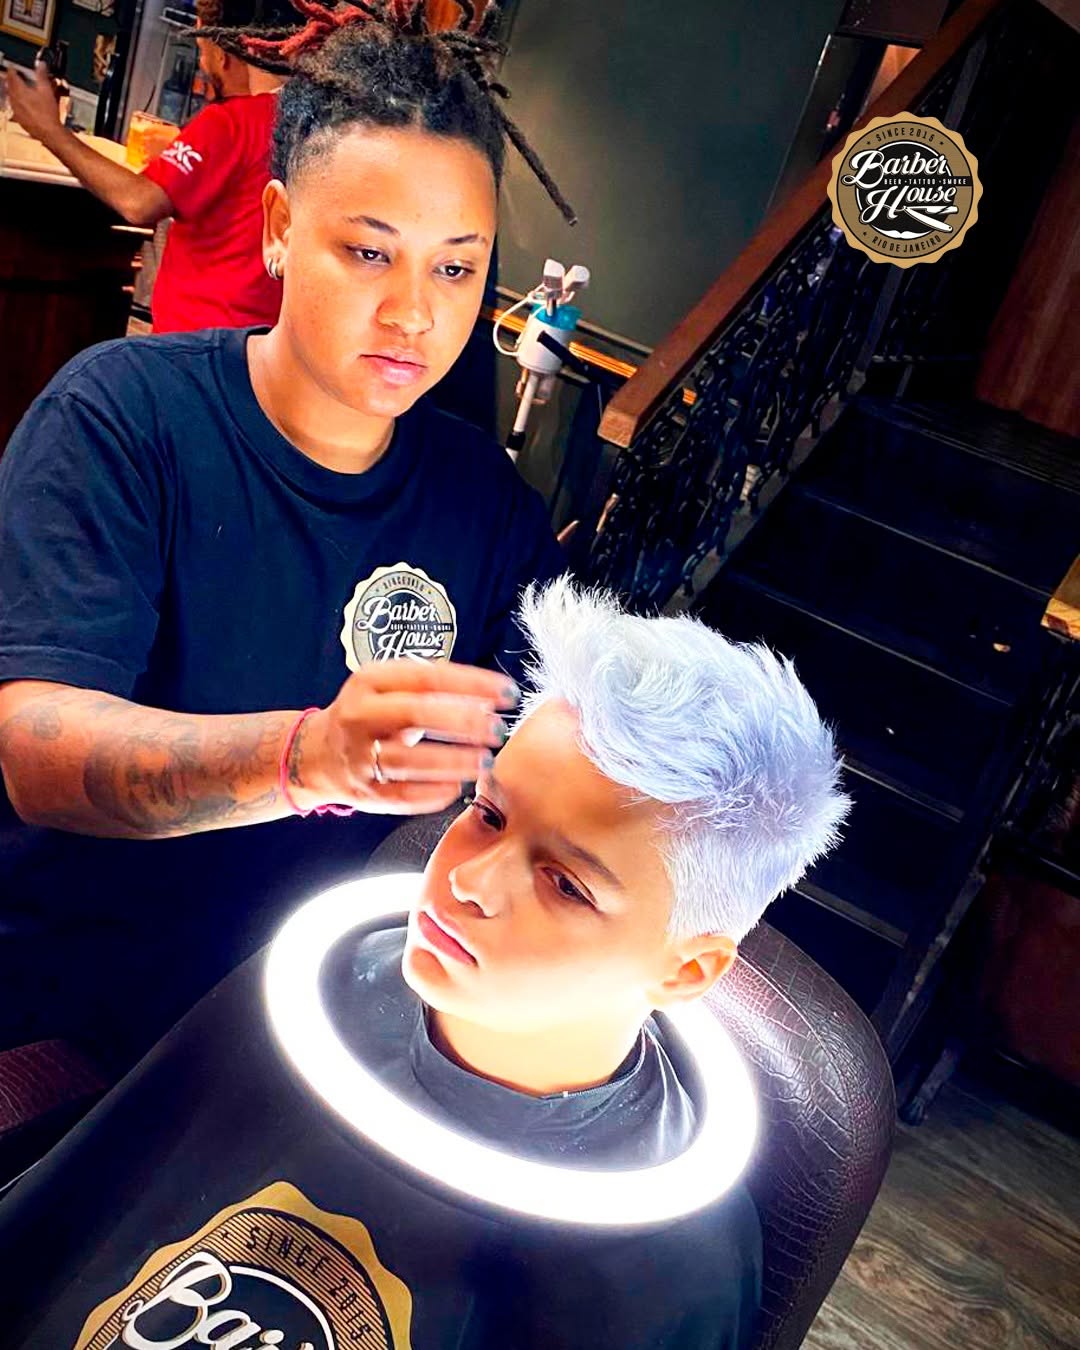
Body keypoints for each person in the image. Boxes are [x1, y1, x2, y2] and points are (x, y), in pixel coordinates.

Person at [0, 579, 850, 1350]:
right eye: (488, 814)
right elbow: (75, 1222)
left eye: (565, 885)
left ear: (687, 972)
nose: (469, 880)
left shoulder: (666, 1270)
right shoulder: (316, 991)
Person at [0, 2, 570, 1072]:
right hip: (71, 1007)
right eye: (368, 252)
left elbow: (552, 736)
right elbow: (37, 747)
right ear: (277, 227)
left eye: (455, 268)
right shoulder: (121, 417)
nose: (413, 313)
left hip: (317, 1020)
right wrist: (309, 758)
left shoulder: (486, 504)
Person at [4, 0, 297, 331]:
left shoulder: (228, 123)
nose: (202, 64)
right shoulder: (300, 123)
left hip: (194, 341)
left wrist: (49, 130)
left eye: (202, 51)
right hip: (259, 340)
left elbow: (139, 203)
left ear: (222, 53)